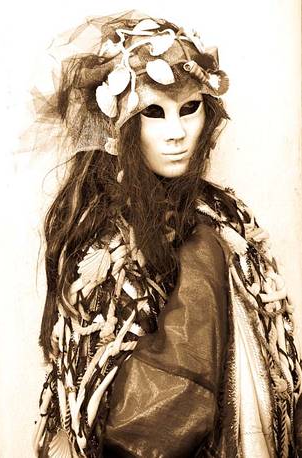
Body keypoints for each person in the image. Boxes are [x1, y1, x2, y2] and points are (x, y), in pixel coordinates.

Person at [32, 10, 302, 458]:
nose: (176, 133)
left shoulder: (224, 220)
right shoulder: (90, 230)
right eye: (153, 112)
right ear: (115, 124)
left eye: (190, 108)